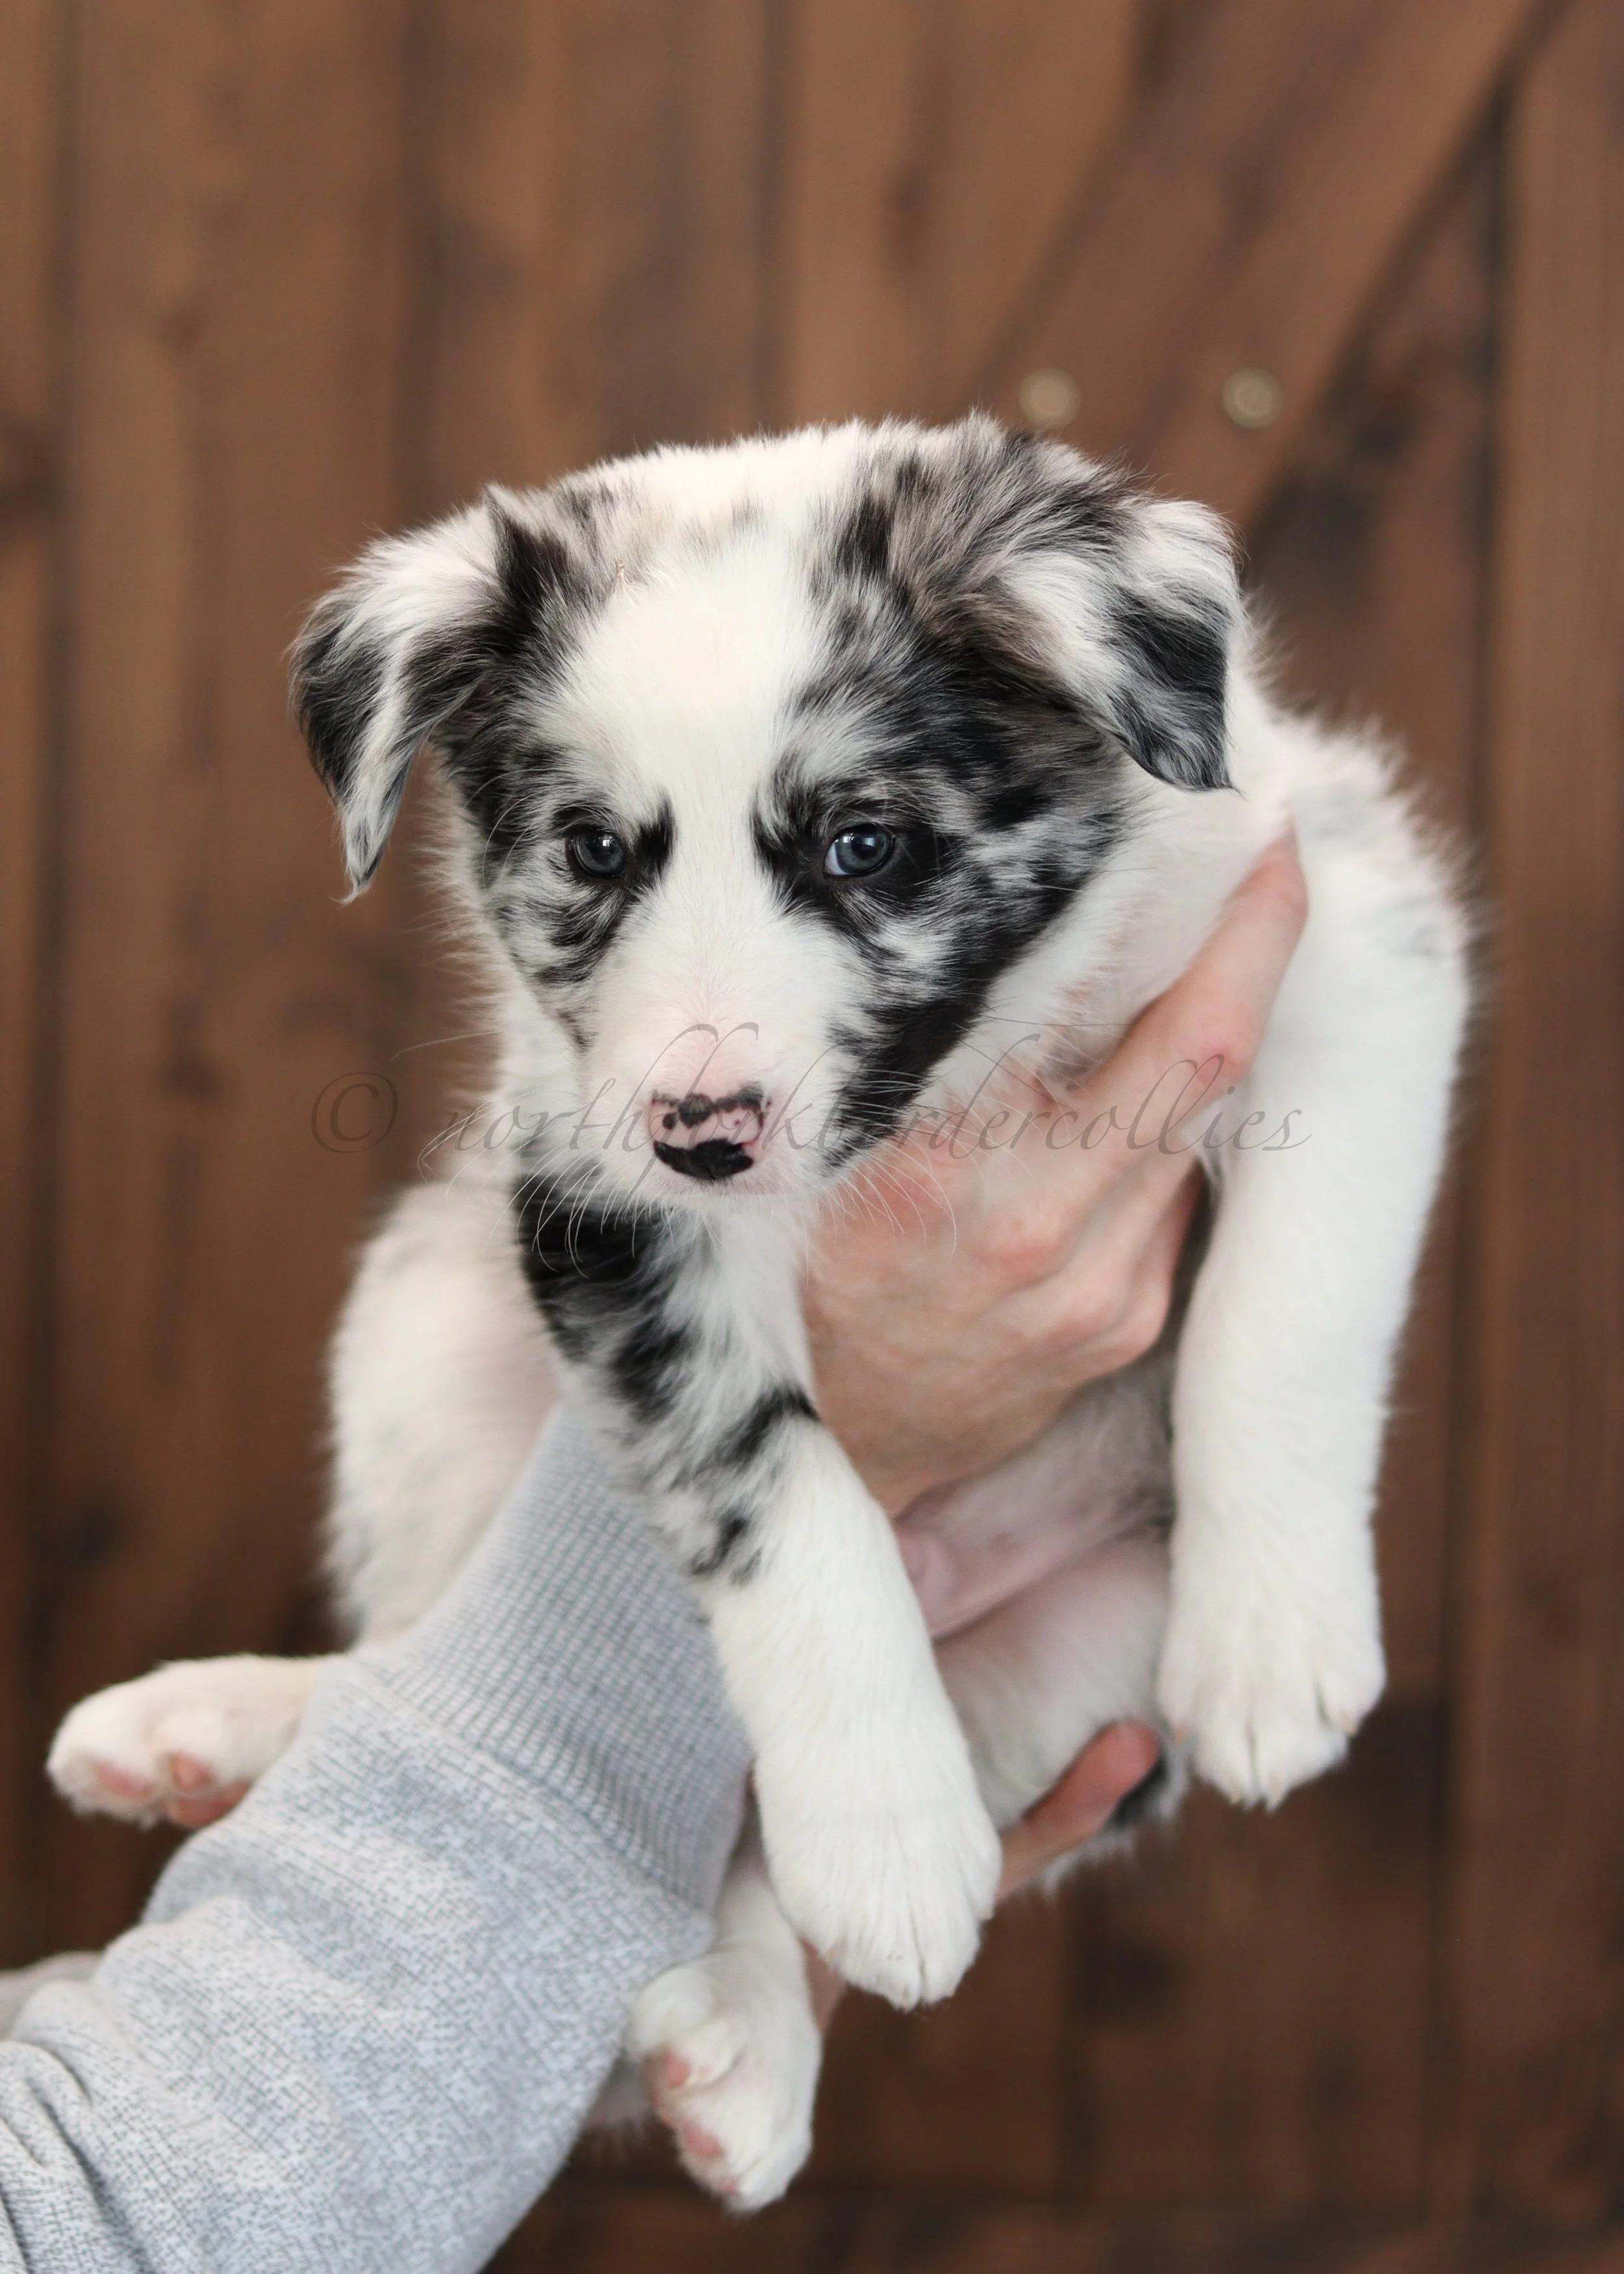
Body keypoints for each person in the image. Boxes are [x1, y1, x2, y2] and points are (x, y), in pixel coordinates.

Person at [0, 840, 1306, 2271]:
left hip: (1056, 1542)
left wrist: (1281, 1520)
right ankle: (448, 1715)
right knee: (447, 1299)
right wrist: (843, 1430)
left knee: (1128, 1645)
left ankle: (565, 1809)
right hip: (678, 1540)